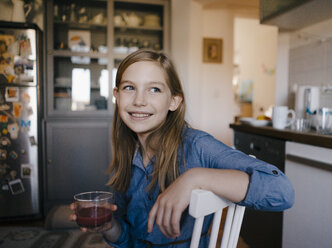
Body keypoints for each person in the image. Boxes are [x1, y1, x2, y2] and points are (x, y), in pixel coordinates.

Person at [70, 49, 294, 247]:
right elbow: (130, 240)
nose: (139, 100)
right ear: (116, 96)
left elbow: (282, 192)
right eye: (129, 88)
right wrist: (108, 226)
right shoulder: (128, 156)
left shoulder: (197, 146)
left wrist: (195, 178)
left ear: (174, 101)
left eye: (154, 90)